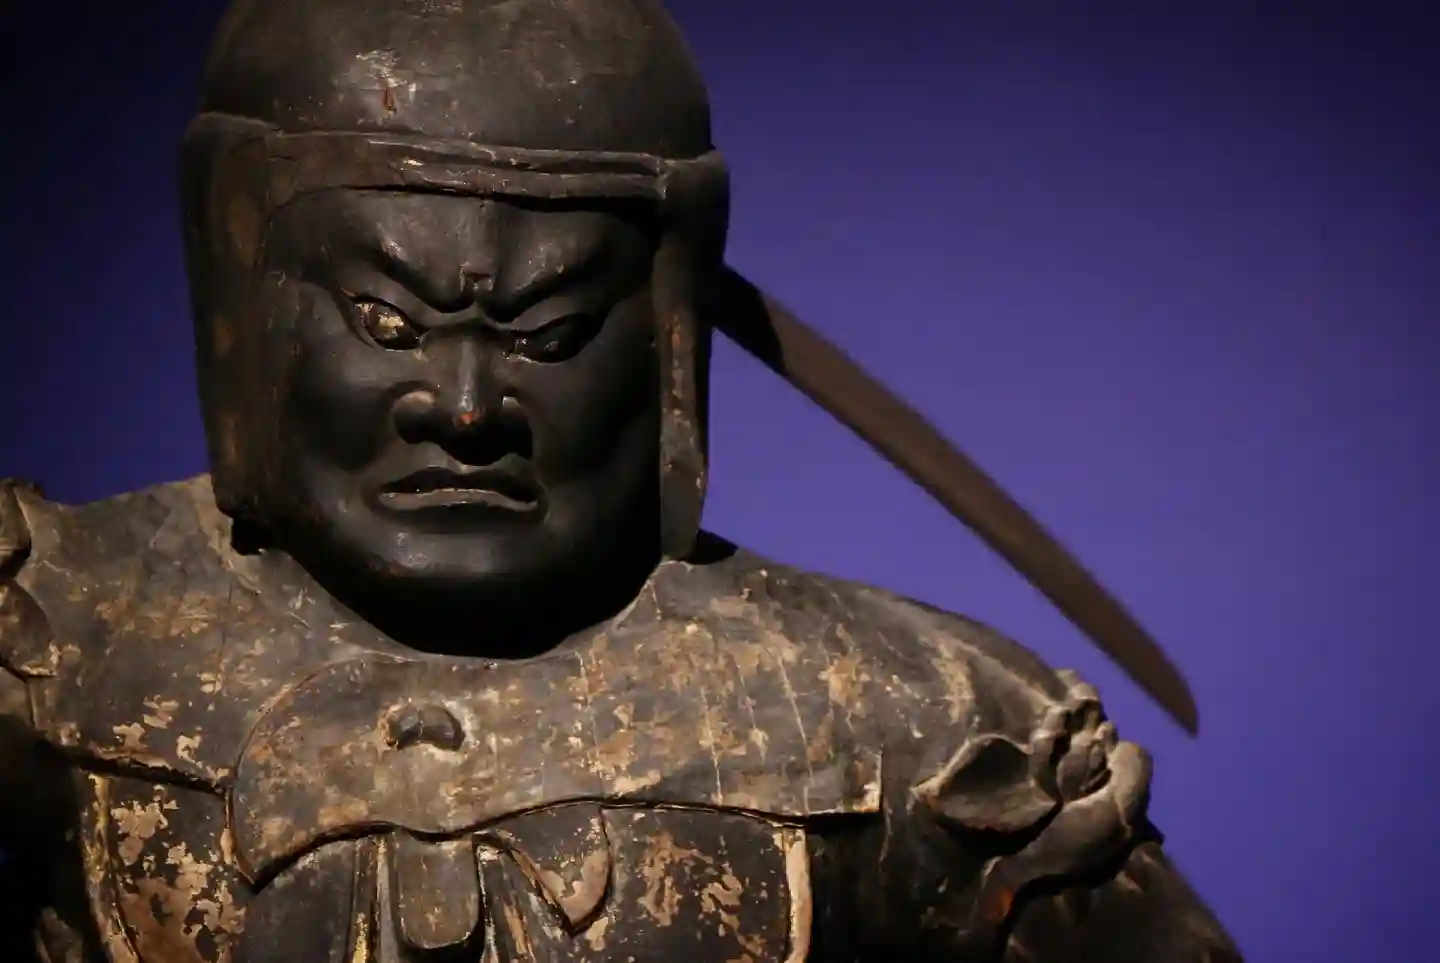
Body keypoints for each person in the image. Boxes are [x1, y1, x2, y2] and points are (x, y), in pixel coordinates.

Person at [0, 1, 1239, 960]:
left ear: (667, 335)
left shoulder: (917, 730)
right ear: (238, 294)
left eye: (549, 334)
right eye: (388, 322)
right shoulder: (53, 643)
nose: (465, 407)